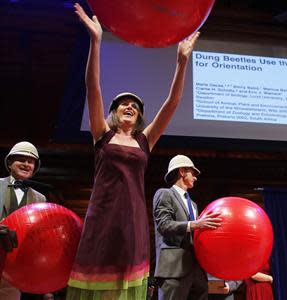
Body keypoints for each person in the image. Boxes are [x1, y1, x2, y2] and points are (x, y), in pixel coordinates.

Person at [66, 3, 200, 299]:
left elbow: (172, 103)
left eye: (135, 106)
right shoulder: (102, 135)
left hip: (133, 219)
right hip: (103, 217)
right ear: (114, 112)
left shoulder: (145, 141)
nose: (130, 106)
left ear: (139, 117)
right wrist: (96, 41)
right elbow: (93, 88)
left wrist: (181, 62)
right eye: (124, 104)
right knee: (97, 280)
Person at [153, 154, 222, 300]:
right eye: (193, 172)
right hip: (174, 268)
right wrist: (195, 224)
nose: (196, 178)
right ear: (182, 171)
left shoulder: (194, 205)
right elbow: (164, 225)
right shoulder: (165, 194)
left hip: (196, 271)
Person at [0, 141, 46, 299]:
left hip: (14, 271)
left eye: (31, 161)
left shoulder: (40, 198)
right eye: (21, 159)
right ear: (10, 163)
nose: (26, 164)